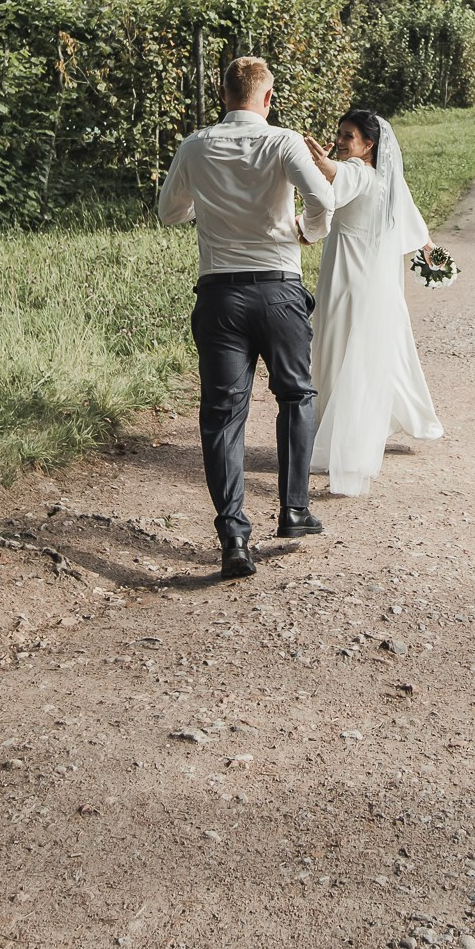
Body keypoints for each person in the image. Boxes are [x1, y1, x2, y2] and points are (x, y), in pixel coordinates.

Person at [155, 56, 338, 580]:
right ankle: (293, 510)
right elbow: (323, 197)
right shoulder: (283, 142)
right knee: (296, 395)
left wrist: (209, 207)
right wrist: (307, 231)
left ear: (223, 92)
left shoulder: (195, 145)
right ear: (267, 97)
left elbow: (169, 211)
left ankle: (233, 536)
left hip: (220, 296)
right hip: (279, 290)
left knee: (221, 415)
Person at [298, 108, 443, 497]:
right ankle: (364, 426)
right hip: (369, 276)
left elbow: (338, 177)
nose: (342, 141)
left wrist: (322, 162)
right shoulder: (385, 178)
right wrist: (428, 245)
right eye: (340, 135)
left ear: (369, 144)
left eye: (349, 136)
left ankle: (340, 441)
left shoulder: (360, 172)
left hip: (348, 275)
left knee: (336, 349)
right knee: (370, 349)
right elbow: (407, 211)